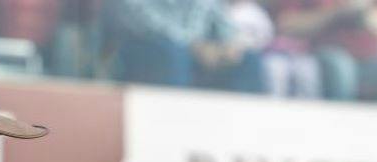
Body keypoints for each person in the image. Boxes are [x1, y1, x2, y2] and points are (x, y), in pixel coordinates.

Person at [103, 0, 270, 91]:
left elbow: (225, 25)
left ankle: (247, 129)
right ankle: (174, 122)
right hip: (145, 51)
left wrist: (231, 45)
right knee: (174, 54)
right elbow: (140, 21)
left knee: (248, 59)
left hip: (198, 53)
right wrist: (194, 46)